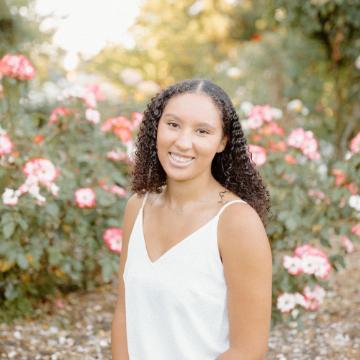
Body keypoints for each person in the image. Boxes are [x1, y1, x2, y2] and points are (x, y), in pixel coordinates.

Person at [111, 79, 272, 360]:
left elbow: (248, 350)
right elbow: (125, 313)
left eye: (202, 131)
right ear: (156, 128)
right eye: (173, 124)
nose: (183, 142)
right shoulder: (137, 207)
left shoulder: (237, 223)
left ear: (222, 141)